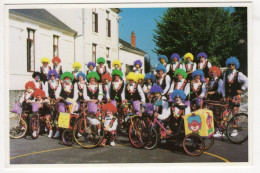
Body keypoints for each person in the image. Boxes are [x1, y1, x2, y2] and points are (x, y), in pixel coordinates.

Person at [54, 72, 78, 138]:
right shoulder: (61, 84)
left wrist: (72, 101)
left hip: (71, 102)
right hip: (63, 102)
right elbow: (57, 93)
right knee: (62, 113)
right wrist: (58, 97)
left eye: (68, 78)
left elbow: (76, 95)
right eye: (66, 78)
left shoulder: (74, 85)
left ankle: (74, 130)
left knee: (73, 114)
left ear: (70, 78)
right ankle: (58, 131)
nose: (67, 79)